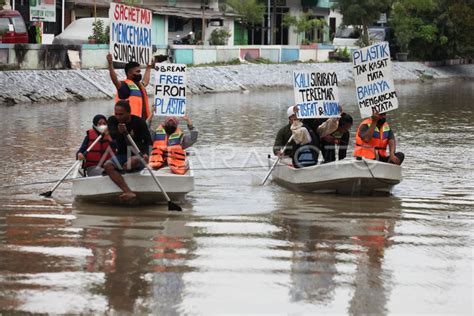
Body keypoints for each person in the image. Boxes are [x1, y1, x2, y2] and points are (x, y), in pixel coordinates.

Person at [103, 100, 153, 201]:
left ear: (129, 113)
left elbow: (147, 142)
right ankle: (128, 191)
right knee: (107, 165)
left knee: (130, 163)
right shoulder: (112, 120)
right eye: (116, 114)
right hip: (122, 154)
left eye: (121, 114)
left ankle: (128, 169)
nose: (118, 117)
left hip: (138, 154)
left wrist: (146, 155)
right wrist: (120, 132)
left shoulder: (139, 122)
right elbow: (113, 134)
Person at [106, 53, 153, 123]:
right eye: (137, 72)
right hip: (131, 123)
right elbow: (115, 81)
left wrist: (149, 67)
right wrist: (110, 64)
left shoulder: (140, 85)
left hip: (144, 122)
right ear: (129, 73)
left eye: (140, 72)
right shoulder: (125, 85)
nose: (140, 74)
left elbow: (145, 81)